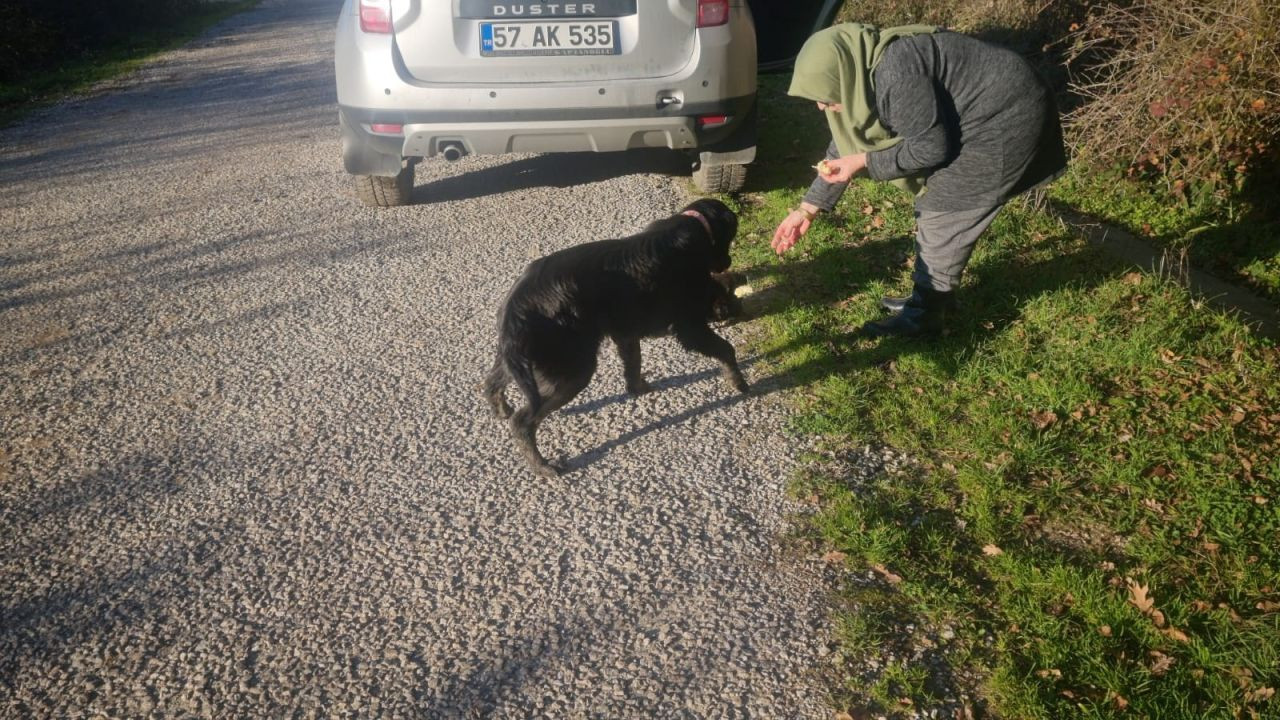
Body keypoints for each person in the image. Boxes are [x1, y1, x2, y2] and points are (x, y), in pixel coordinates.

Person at [771, 23, 1067, 338]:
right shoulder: (860, 70)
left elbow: (931, 148)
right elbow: (845, 146)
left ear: (842, 74)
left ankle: (923, 318)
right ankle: (932, 299)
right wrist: (807, 209)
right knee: (939, 205)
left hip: (1006, 116)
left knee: (946, 206)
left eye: (825, 96)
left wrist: (865, 161)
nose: (821, 106)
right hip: (985, 108)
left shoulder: (895, 75)